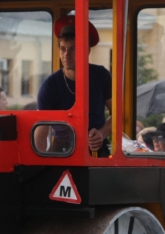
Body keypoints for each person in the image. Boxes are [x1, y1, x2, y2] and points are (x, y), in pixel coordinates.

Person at [36, 17, 112, 155]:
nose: (66, 55)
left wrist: (102, 133)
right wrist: (40, 163)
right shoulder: (50, 86)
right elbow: (41, 131)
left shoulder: (101, 76)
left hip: (96, 148)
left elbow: (118, 113)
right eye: (63, 49)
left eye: (73, 49)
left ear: (87, 52)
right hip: (62, 150)